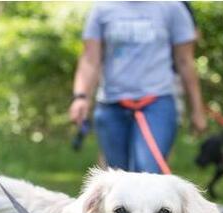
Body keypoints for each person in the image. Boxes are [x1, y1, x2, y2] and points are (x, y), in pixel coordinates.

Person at [69, 2, 206, 173]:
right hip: (111, 103)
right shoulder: (102, 9)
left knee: (149, 172)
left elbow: (185, 62)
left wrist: (197, 110)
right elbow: (90, 59)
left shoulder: (173, 7)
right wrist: (81, 97)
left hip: (157, 102)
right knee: (116, 176)